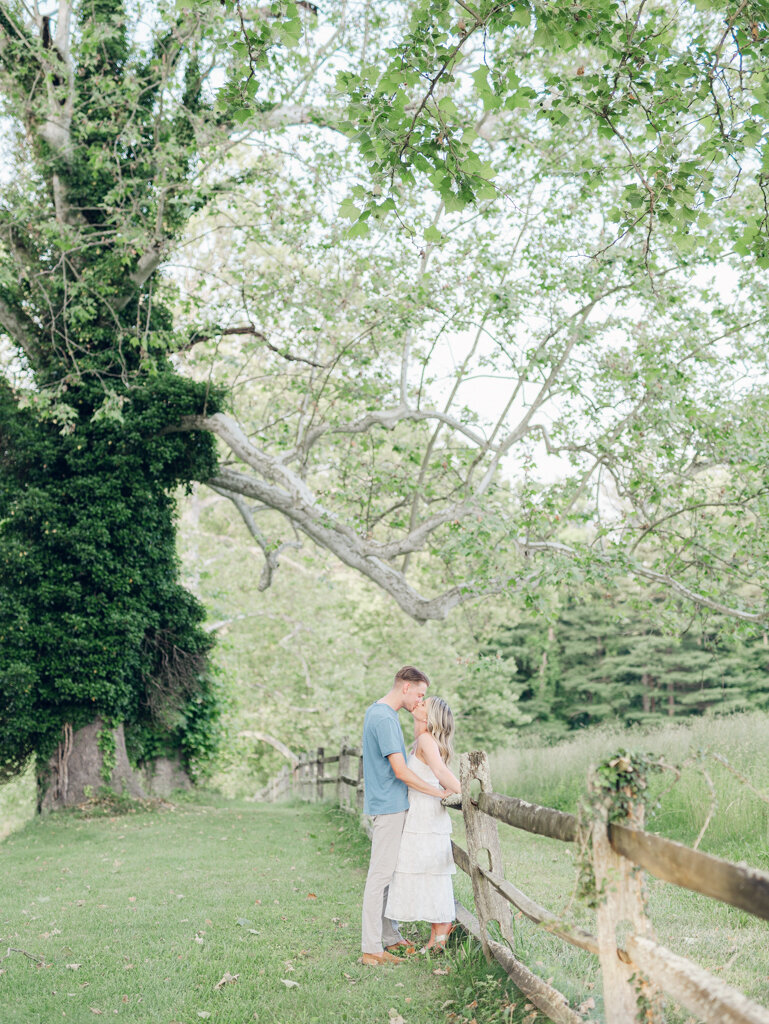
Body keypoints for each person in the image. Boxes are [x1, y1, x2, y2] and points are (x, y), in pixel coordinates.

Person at [360, 666, 450, 966]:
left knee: (388, 875)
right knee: (380, 877)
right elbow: (400, 771)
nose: (420, 701)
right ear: (405, 688)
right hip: (388, 806)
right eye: (420, 694)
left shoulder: (382, 714)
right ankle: (371, 950)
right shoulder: (384, 718)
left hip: (392, 804)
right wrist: (439, 793)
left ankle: (390, 937)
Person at [384, 695, 461, 952]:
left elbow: (440, 773)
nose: (417, 703)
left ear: (429, 718)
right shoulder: (421, 740)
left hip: (426, 814)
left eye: (423, 704)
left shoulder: (426, 739)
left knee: (432, 872)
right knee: (425, 871)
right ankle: (435, 935)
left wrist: (467, 795)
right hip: (418, 812)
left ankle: (441, 930)